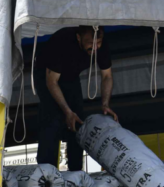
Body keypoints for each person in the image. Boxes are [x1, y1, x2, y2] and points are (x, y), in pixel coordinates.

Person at [36, 26, 118, 171]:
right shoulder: (62, 42)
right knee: (53, 121)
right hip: (47, 77)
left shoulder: (101, 45)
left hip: (71, 77)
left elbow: (107, 76)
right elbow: (52, 82)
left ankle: (75, 171)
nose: (94, 47)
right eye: (89, 43)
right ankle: (47, 173)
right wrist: (67, 111)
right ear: (78, 37)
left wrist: (105, 104)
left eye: (97, 43)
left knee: (77, 122)